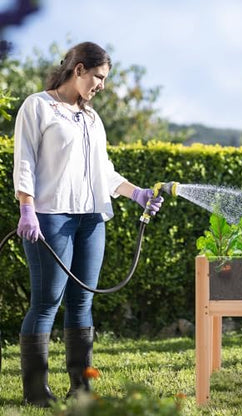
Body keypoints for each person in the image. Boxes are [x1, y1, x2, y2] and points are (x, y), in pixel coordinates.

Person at [13, 41, 163, 407]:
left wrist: (136, 193)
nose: (101, 85)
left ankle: (81, 388)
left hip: (92, 218)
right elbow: (26, 161)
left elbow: (105, 171)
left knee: (83, 303)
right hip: (50, 217)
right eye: (98, 77)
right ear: (78, 69)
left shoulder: (92, 118)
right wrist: (27, 207)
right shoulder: (38, 106)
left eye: (104, 79)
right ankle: (36, 391)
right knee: (47, 301)